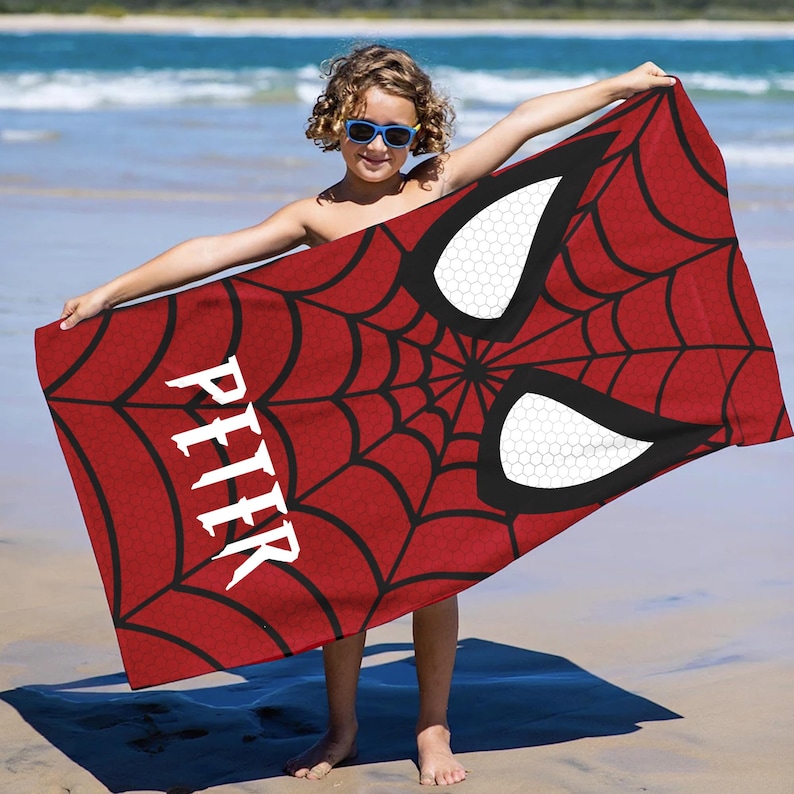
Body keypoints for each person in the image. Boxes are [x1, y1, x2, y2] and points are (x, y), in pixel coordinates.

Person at [59, 43, 675, 786]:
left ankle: (433, 728)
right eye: (363, 130)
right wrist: (110, 294)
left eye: (397, 135)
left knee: (438, 578)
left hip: (446, 408)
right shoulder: (315, 216)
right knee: (343, 579)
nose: (379, 147)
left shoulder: (432, 188)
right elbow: (217, 251)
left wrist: (624, 85)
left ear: (420, 139)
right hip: (358, 414)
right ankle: (342, 727)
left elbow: (522, 126)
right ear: (334, 125)